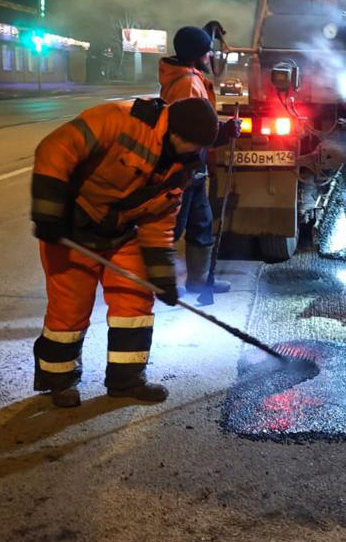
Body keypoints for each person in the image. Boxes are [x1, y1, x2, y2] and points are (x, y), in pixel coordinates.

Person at [30, 96, 219, 408]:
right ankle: (59, 380)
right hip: (72, 227)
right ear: (176, 134)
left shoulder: (182, 168)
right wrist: (48, 212)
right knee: (69, 310)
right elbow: (56, 147)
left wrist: (163, 279)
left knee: (134, 304)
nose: (197, 152)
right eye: (194, 145)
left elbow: (159, 222)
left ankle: (127, 380)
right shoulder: (120, 119)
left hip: (123, 232)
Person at [159, 25, 239, 293]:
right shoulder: (187, 84)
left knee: (201, 223)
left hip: (194, 165)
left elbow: (197, 121)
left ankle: (199, 280)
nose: (210, 56)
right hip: (183, 167)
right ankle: (162, 281)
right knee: (174, 227)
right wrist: (223, 133)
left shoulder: (189, 78)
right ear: (197, 55)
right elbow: (189, 130)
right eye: (207, 51)